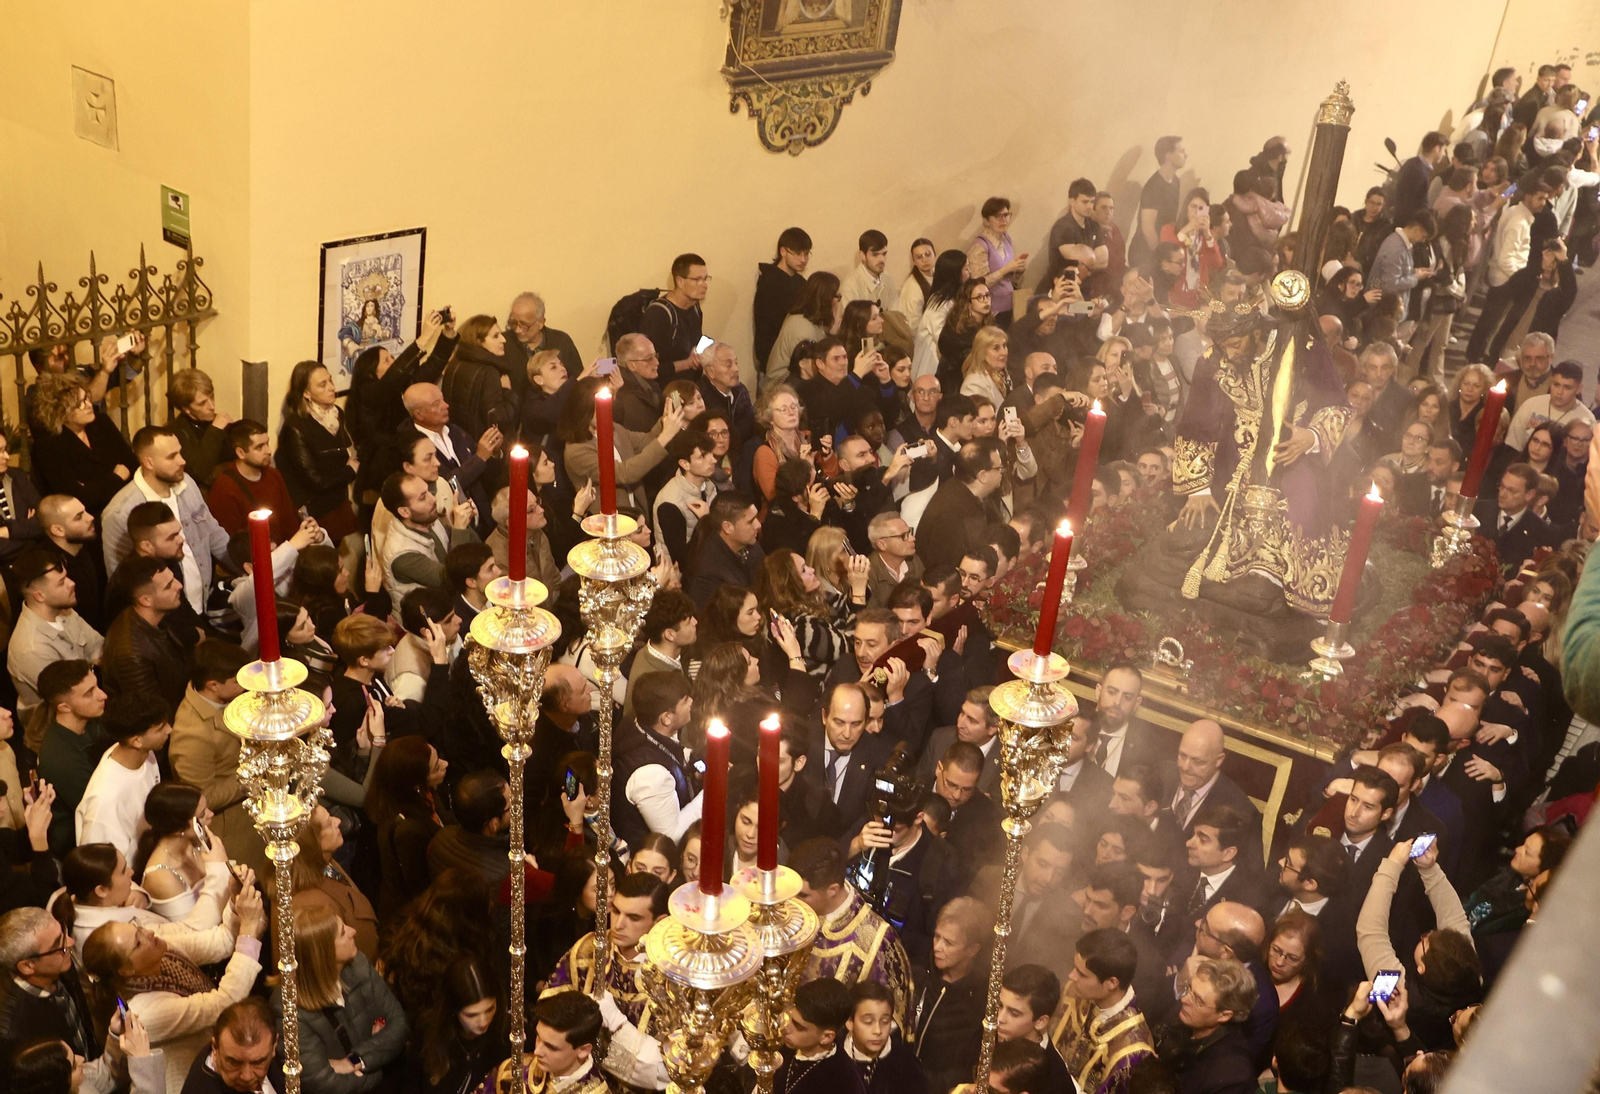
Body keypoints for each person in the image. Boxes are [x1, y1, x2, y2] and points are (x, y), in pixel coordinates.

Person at [80, 884, 266, 1092]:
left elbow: (220, 942)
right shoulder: (144, 1013)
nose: (148, 933)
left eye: (138, 927)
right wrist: (249, 930)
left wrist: (235, 899)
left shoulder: (161, 948)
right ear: (126, 970)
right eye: (138, 942)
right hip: (195, 1084)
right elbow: (224, 1002)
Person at [541, 873, 668, 1091]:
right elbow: (548, 1016)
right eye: (616, 911)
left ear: (659, 922)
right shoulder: (588, 950)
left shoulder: (673, 977)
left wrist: (616, 1023)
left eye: (634, 917)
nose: (618, 924)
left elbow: (665, 1073)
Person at [1356, 838, 1481, 1050]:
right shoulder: (1470, 974)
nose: (1425, 936)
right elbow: (1454, 919)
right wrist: (1430, 869)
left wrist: (1391, 866)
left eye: (1426, 943)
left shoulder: (1400, 991)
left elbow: (1370, 932)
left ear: (1421, 968)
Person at [286, 903, 409, 1094]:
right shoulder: (288, 1007)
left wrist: (354, 1061)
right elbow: (324, 1084)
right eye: (343, 932)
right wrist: (380, 1063)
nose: (353, 931)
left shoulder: (358, 964)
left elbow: (400, 1025)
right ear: (323, 952)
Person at [1052, 928, 1156, 1094]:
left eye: (1082, 974)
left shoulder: (1134, 1053)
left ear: (1112, 983)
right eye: (1074, 968)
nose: (1072, 976)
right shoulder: (1075, 992)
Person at [6, 550, 103, 724]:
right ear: (39, 596)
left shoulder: (63, 610)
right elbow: (72, 698)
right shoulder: (31, 648)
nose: (72, 583)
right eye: (61, 583)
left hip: (90, 706)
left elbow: (99, 650)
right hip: (59, 729)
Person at [29, 373, 139, 521]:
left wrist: (93, 486)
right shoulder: (49, 447)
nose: (88, 405)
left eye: (86, 398)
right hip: (88, 519)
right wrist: (116, 477)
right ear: (61, 411)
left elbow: (133, 465)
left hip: (127, 504)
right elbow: (78, 498)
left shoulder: (101, 423)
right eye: (79, 403)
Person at [73, 693, 169, 860]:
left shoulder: (146, 754)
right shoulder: (105, 800)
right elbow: (101, 868)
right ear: (136, 741)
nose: (170, 730)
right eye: (160, 728)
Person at [909, 896, 989, 1094]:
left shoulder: (980, 1003)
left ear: (972, 950)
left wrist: (918, 1082)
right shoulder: (917, 974)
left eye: (949, 943)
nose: (937, 947)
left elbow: (964, 1070)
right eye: (937, 937)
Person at [276, 361, 358, 541]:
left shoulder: (336, 414)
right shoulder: (296, 428)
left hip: (337, 501)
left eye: (330, 381)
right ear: (306, 393)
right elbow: (314, 480)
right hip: (316, 510)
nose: (331, 387)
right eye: (323, 384)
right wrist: (349, 471)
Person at [774, 979, 868, 1094]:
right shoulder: (788, 1044)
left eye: (798, 1026)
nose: (785, 1028)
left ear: (826, 1037)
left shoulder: (845, 1083)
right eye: (789, 1017)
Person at [181, 997, 284, 1094]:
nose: (246, 1076)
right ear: (215, 1047)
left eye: (258, 1062)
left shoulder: (274, 1057)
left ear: (274, 1046)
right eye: (234, 1063)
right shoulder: (200, 1089)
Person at [845, 979, 927, 1094]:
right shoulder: (832, 1062)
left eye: (885, 1021)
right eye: (868, 1022)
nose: (878, 1031)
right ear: (850, 1023)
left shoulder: (906, 1065)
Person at [685, 492, 765, 608]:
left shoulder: (749, 544)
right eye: (750, 521)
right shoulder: (708, 574)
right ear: (728, 527)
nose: (758, 525)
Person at [639, 254, 707, 379]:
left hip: (691, 384)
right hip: (666, 389)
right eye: (697, 279)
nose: (704, 284)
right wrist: (688, 363)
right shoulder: (658, 314)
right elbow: (650, 368)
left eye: (705, 278)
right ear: (680, 281)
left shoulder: (695, 307)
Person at [754, 227, 813, 366]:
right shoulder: (769, 282)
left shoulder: (801, 282)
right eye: (797, 254)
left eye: (806, 254)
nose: (803, 259)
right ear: (783, 252)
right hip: (775, 356)